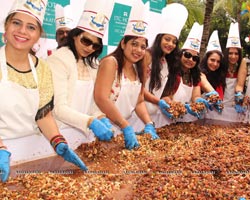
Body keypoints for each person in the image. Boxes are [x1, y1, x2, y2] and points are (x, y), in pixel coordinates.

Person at [0, 0, 86, 183]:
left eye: (31, 27)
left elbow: (43, 114)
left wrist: (58, 141)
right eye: (16, 23)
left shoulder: (42, 69)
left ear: (38, 35)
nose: (22, 31)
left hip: (29, 149)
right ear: (5, 27)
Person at [47, 0, 115, 148]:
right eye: (86, 41)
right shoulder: (58, 60)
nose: (89, 48)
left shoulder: (92, 64)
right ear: (74, 36)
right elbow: (58, 108)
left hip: (84, 135)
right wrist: (90, 121)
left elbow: (92, 102)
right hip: (59, 134)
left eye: (95, 45)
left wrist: (100, 116)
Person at [94, 0, 159, 150]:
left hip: (124, 130)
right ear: (123, 44)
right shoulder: (111, 63)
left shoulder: (138, 70)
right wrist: (125, 126)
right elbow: (101, 98)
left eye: (143, 47)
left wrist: (148, 123)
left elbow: (139, 101)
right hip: (104, 130)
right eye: (134, 44)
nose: (138, 50)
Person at [143, 3, 188, 126]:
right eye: (167, 39)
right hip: (139, 113)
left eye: (174, 42)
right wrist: (158, 101)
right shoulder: (147, 55)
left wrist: (167, 100)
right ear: (159, 39)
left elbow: (162, 92)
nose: (171, 44)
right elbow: (138, 88)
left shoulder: (168, 62)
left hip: (155, 114)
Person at [199, 30, 225, 113]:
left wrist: (218, 101)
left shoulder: (219, 77)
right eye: (212, 60)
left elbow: (220, 97)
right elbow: (204, 83)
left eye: (218, 62)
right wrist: (214, 94)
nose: (215, 64)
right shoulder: (199, 73)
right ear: (206, 59)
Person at [223, 22, 242, 106]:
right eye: (230, 53)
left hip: (235, 108)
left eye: (236, 54)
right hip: (219, 106)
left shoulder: (242, 70)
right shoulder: (220, 68)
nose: (233, 56)